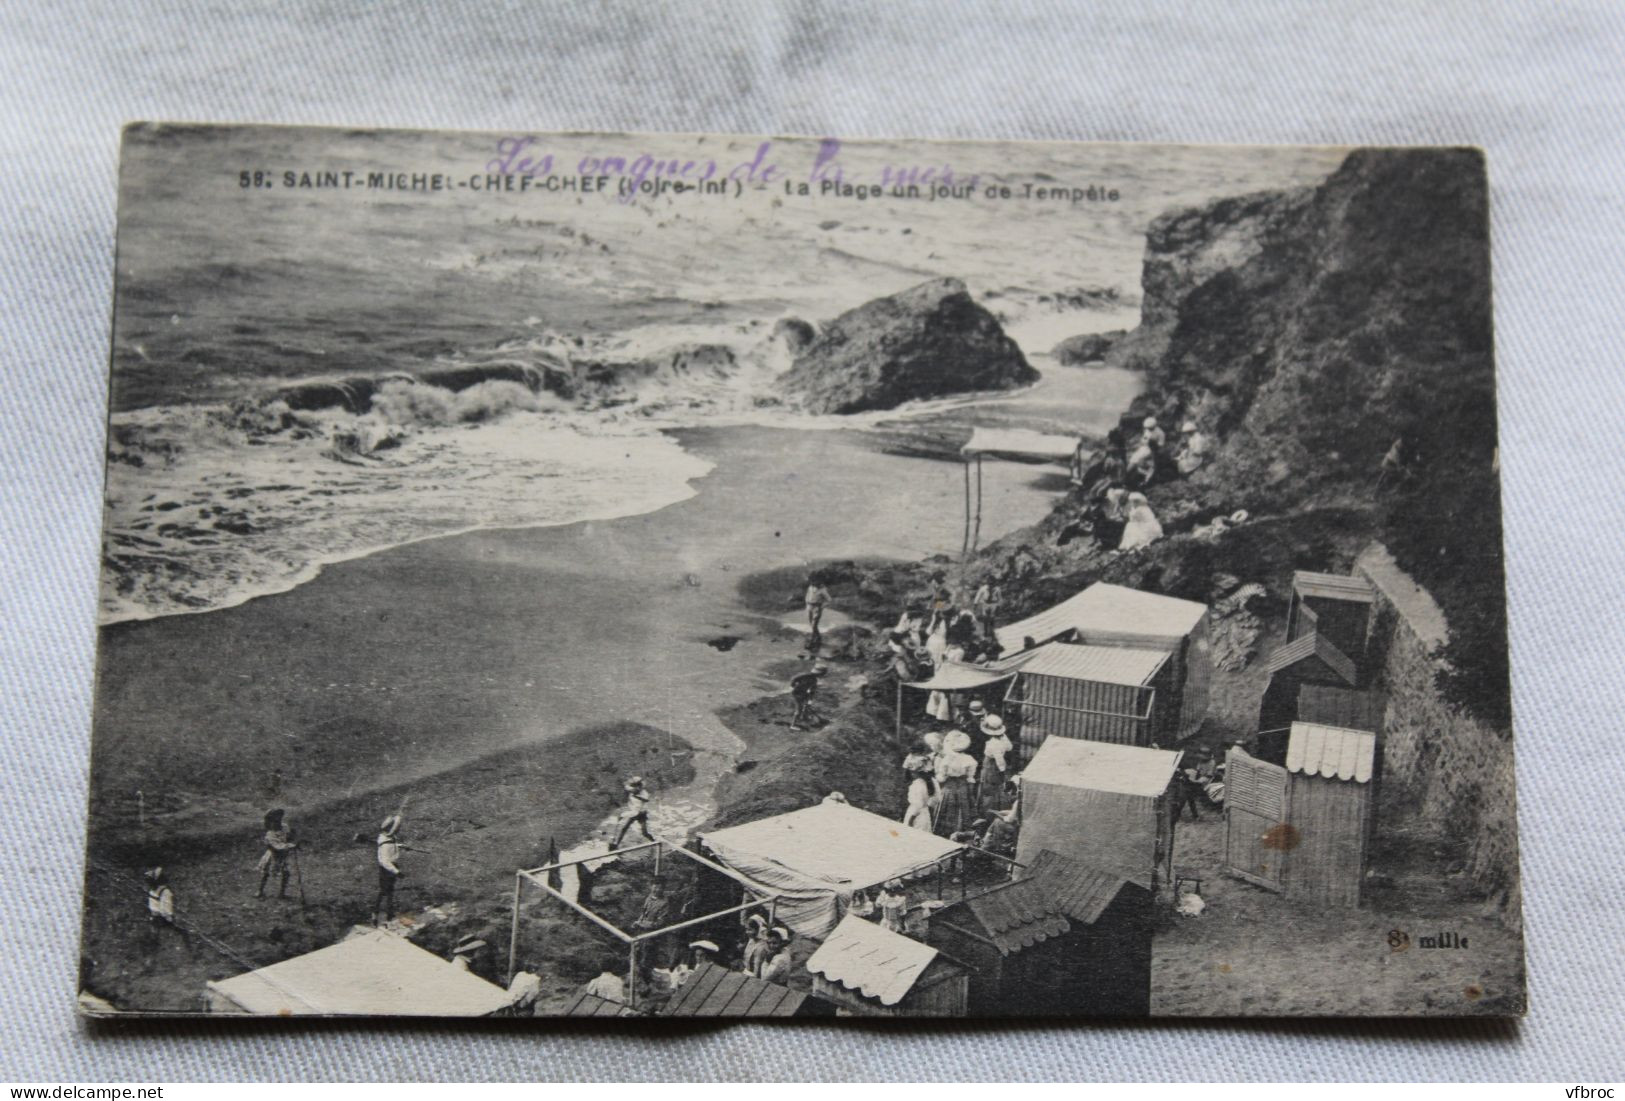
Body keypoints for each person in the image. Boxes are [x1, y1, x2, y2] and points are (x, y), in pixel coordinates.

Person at [934, 730, 978, 837]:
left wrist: (940, 778)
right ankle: (961, 830)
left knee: (948, 806)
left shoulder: (947, 759)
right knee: (963, 806)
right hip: (963, 786)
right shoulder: (969, 759)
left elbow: (941, 777)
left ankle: (947, 831)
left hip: (950, 786)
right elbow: (970, 777)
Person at [256, 808, 297, 900]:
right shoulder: (270, 834)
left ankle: (282, 893)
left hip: (283, 855)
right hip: (273, 855)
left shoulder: (284, 827)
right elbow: (276, 847)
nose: (277, 823)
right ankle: (260, 890)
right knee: (266, 873)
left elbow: (288, 838)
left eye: (279, 820)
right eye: (274, 821)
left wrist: (292, 837)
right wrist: (289, 846)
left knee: (286, 873)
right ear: (270, 822)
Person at [978, 715, 1013, 814]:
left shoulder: (993, 743)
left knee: (988, 789)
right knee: (996, 788)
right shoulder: (1003, 738)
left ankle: (988, 811)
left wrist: (1002, 771)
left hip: (991, 766)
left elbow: (999, 760)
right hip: (994, 766)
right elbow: (1009, 747)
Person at [373, 815, 403, 926]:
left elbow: (393, 844)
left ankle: (384, 914)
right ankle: (383, 916)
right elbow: (385, 861)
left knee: (388, 891)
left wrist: (401, 846)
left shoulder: (388, 838)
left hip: (390, 867)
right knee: (386, 892)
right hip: (387, 869)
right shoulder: (385, 844)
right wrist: (397, 872)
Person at [611, 777, 655, 849]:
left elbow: (645, 800)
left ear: (639, 787)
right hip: (633, 812)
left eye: (635, 788)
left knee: (644, 832)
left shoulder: (644, 793)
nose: (633, 790)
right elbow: (627, 790)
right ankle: (616, 845)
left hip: (641, 814)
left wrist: (623, 815)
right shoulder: (632, 791)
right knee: (624, 828)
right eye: (633, 788)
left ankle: (654, 842)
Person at [788, 663, 827, 730]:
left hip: (804, 693)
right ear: (818, 673)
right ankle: (793, 725)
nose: (821, 676)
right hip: (797, 693)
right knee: (799, 709)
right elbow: (794, 679)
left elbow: (812, 691)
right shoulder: (805, 675)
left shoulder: (814, 680)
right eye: (821, 674)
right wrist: (792, 686)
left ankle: (806, 718)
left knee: (807, 706)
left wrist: (810, 700)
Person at [902, 766, 934, 832]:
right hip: (923, 813)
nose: (911, 774)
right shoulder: (925, 783)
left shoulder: (919, 784)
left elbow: (919, 804)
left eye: (913, 772)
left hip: (916, 814)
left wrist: (911, 819)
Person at [803, 574, 831, 645]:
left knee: (814, 624)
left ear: (818, 581)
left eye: (815, 581)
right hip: (809, 606)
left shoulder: (822, 590)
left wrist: (822, 606)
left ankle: (813, 639)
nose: (813, 582)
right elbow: (807, 595)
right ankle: (818, 636)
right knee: (811, 623)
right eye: (812, 581)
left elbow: (829, 600)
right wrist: (807, 602)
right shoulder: (810, 587)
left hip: (817, 607)